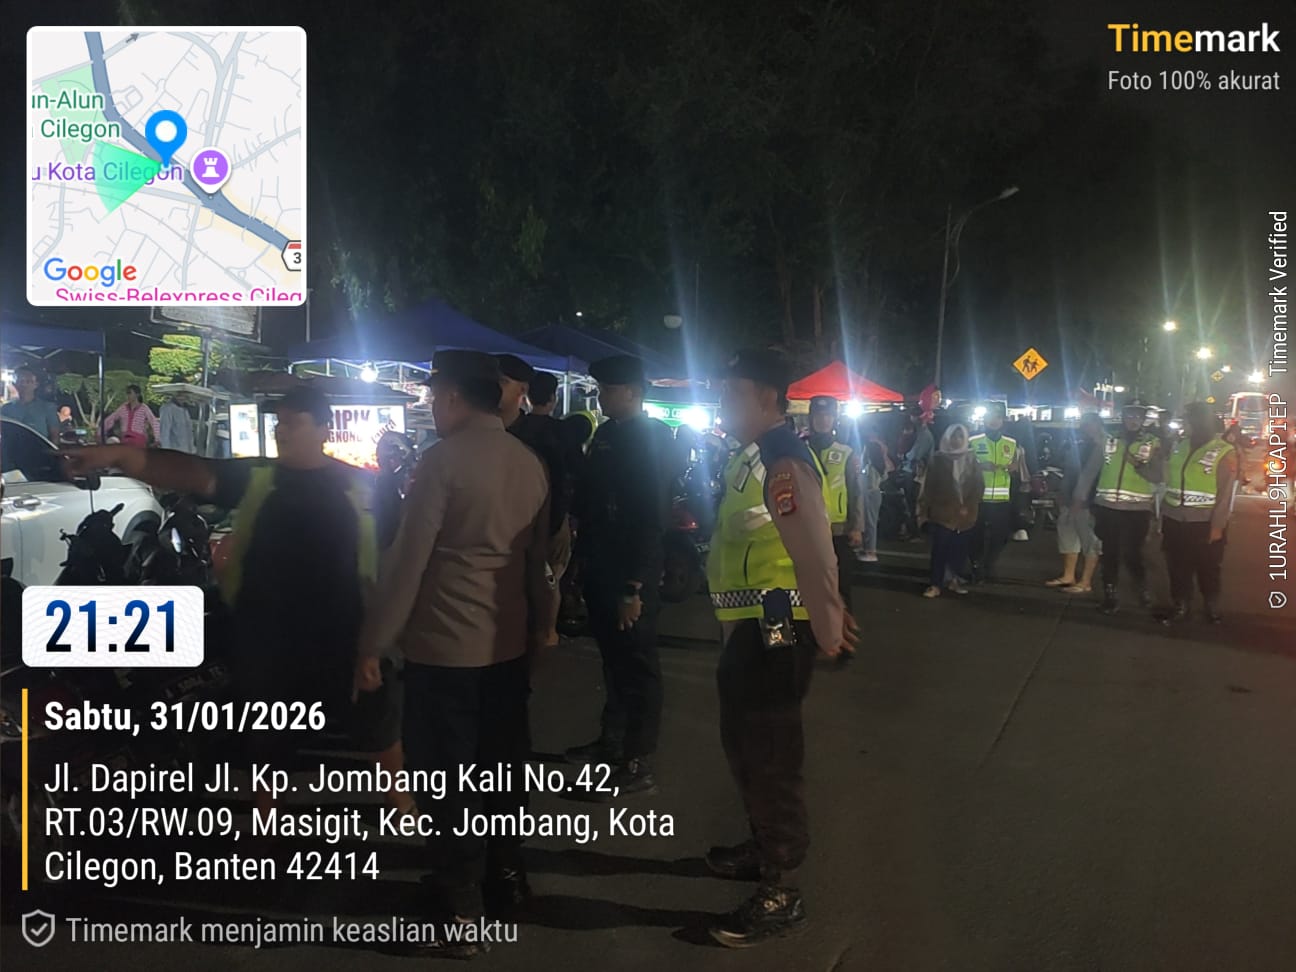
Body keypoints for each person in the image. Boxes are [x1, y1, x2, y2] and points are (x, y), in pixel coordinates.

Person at [63, 387, 390, 818]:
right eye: (279, 422)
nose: (281, 431)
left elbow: (386, 567)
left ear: (323, 428)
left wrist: (376, 642)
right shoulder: (259, 478)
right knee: (268, 734)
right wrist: (116, 455)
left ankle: (403, 803)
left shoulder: (359, 488)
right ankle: (266, 818)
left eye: (293, 422)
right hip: (268, 636)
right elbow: (192, 472)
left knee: (373, 723)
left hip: (340, 633)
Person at [354, 351, 552, 951]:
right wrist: (540, 633)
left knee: (447, 782)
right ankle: (503, 881)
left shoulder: (441, 462)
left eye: (433, 396)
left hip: (446, 649)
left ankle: (460, 910)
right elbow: (538, 565)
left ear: (452, 397)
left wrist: (374, 641)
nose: (432, 407)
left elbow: (407, 563)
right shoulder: (529, 462)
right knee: (499, 772)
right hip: (507, 644)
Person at [703, 349, 859, 947]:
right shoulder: (751, 454)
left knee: (770, 751)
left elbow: (816, 550)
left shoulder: (783, 458)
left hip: (776, 623)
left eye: (731, 393)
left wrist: (829, 625)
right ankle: (763, 845)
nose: (722, 403)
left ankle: (781, 887)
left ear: (767, 398)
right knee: (745, 743)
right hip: (751, 621)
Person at [566, 355, 673, 795]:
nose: (601, 397)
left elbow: (651, 517)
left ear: (632, 392)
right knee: (613, 662)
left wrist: (635, 585)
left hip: (629, 571)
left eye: (608, 390)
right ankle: (612, 741)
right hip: (601, 565)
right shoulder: (608, 434)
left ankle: (636, 759)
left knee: (638, 666)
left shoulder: (652, 438)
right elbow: (591, 502)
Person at [504, 365, 572, 647]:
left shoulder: (516, 430)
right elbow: (569, 478)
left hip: (519, 517)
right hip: (554, 516)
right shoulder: (563, 433)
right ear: (553, 398)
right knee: (551, 575)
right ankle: (548, 630)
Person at [1081, 402, 1164, 615]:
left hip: (1137, 510)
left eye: (1138, 417)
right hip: (1107, 508)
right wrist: (1079, 497)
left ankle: (1142, 590)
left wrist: (1136, 464)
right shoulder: (1109, 441)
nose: (1133, 420)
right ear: (1123, 417)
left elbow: (1158, 476)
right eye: (1129, 416)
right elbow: (1090, 471)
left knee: (1133, 553)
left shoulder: (1153, 443)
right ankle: (1110, 595)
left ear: (1143, 419)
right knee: (1110, 552)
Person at [1161, 402, 1237, 624]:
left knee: (1208, 568)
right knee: (1177, 567)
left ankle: (1211, 606)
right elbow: (1167, 478)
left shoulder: (1223, 450)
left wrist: (1217, 526)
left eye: (1186, 420)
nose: (1183, 424)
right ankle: (1180, 605)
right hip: (1175, 519)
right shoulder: (1178, 446)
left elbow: (1225, 493)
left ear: (1198, 422)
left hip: (1204, 522)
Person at [806, 396, 865, 612]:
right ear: (811, 419)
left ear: (834, 420)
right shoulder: (799, 450)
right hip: (808, 528)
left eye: (828, 416)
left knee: (842, 584)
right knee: (811, 583)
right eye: (818, 416)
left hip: (838, 529)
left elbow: (856, 491)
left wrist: (856, 527)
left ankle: (843, 626)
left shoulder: (846, 453)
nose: (823, 420)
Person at [917, 424, 984, 598]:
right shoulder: (937, 459)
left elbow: (978, 486)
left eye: (960, 437)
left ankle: (955, 579)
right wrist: (925, 510)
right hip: (942, 512)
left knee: (959, 549)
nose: (957, 440)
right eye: (953, 437)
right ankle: (935, 583)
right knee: (939, 549)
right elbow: (929, 487)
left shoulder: (971, 459)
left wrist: (968, 505)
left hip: (966, 514)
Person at [1046, 413, 1104, 593]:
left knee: (1090, 541)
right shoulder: (1079, 444)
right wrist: (1063, 494)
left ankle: (1085, 581)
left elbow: (1094, 476)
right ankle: (1068, 575)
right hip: (1069, 498)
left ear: (1098, 425)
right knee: (1067, 537)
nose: (1085, 427)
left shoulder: (1104, 447)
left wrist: (1082, 498)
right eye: (1083, 423)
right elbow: (1069, 471)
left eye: (1089, 424)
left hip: (1088, 502)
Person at [968, 403, 1024, 583]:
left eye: (998, 417)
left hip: (1002, 498)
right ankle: (976, 565)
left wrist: (1014, 467)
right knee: (975, 535)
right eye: (990, 417)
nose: (994, 421)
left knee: (1001, 536)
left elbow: (1018, 465)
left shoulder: (1011, 443)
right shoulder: (973, 440)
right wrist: (979, 466)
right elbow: (964, 465)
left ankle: (989, 564)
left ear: (1003, 420)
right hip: (978, 497)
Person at [1, 365, 60, 439]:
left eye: (29, 381)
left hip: (38, 446)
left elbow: (55, 436)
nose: (24, 384)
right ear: (14, 384)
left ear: (36, 384)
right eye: (21, 381)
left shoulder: (48, 408)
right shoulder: (6, 409)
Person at [859, 439, 885, 562]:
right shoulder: (879, 466)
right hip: (876, 493)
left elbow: (867, 483)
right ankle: (868, 549)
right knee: (871, 522)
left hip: (870, 494)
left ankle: (870, 551)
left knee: (870, 523)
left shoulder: (870, 467)